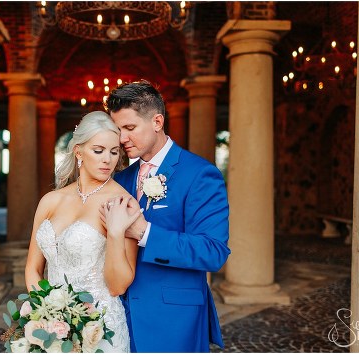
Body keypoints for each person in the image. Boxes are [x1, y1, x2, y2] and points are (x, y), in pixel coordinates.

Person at [102, 80, 231, 352]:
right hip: (118, 316)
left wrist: (144, 233)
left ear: (157, 121)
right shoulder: (120, 179)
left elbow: (212, 251)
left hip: (174, 319)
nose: (122, 138)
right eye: (117, 130)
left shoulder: (199, 174)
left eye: (130, 128)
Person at [25, 111, 139, 352]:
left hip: (101, 329)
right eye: (98, 151)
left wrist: (116, 233)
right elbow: (34, 268)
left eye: (114, 151)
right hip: (52, 329)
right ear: (79, 152)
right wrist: (46, 315)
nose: (107, 160)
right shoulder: (50, 200)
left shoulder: (123, 203)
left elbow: (118, 286)